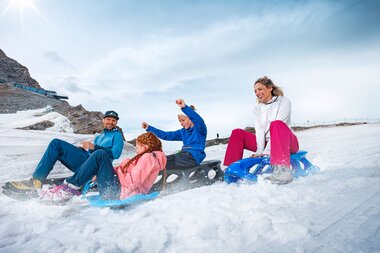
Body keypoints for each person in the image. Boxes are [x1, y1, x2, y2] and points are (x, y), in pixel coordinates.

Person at [9, 110, 124, 191]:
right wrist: (84, 149)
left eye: (113, 120)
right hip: (86, 161)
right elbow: (93, 152)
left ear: (116, 123)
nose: (110, 122)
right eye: (108, 119)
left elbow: (116, 154)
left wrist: (95, 147)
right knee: (56, 144)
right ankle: (37, 181)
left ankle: (73, 184)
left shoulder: (117, 136)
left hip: (97, 169)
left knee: (59, 144)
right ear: (103, 120)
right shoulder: (100, 136)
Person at [37, 132, 167, 202]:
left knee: (100, 154)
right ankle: (69, 186)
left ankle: (68, 189)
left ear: (144, 146)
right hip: (116, 188)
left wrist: (116, 172)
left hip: (118, 193)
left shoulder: (148, 157)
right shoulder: (147, 158)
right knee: (99, 156)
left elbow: (132, 182)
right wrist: (101, 172)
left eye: (137, 146)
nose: (136, 148)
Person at [223, 76, 299, 184]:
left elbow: (281, 125)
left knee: (276, 124)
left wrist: (267, 152)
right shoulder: (257, 109)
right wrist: (259, 151)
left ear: (270, 88)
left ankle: (282, 172)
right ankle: (230, 170)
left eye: (260, 89)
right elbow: (259, 131)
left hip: (287, 142)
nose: (257, 93)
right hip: (265, 144)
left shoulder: (284, 101)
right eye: (255, 91)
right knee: (237, 133)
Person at [142, 99, 207, 170]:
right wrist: (149, 128)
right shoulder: (183, 132)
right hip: (184, 155)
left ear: (190, 118)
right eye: (180, 121)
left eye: (183, 120)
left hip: (194, 156)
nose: (181, 123)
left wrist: (184, 107)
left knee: (162, 162)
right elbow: (166, 135)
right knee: (162, 159)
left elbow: (198, 120)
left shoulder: (200, 129)